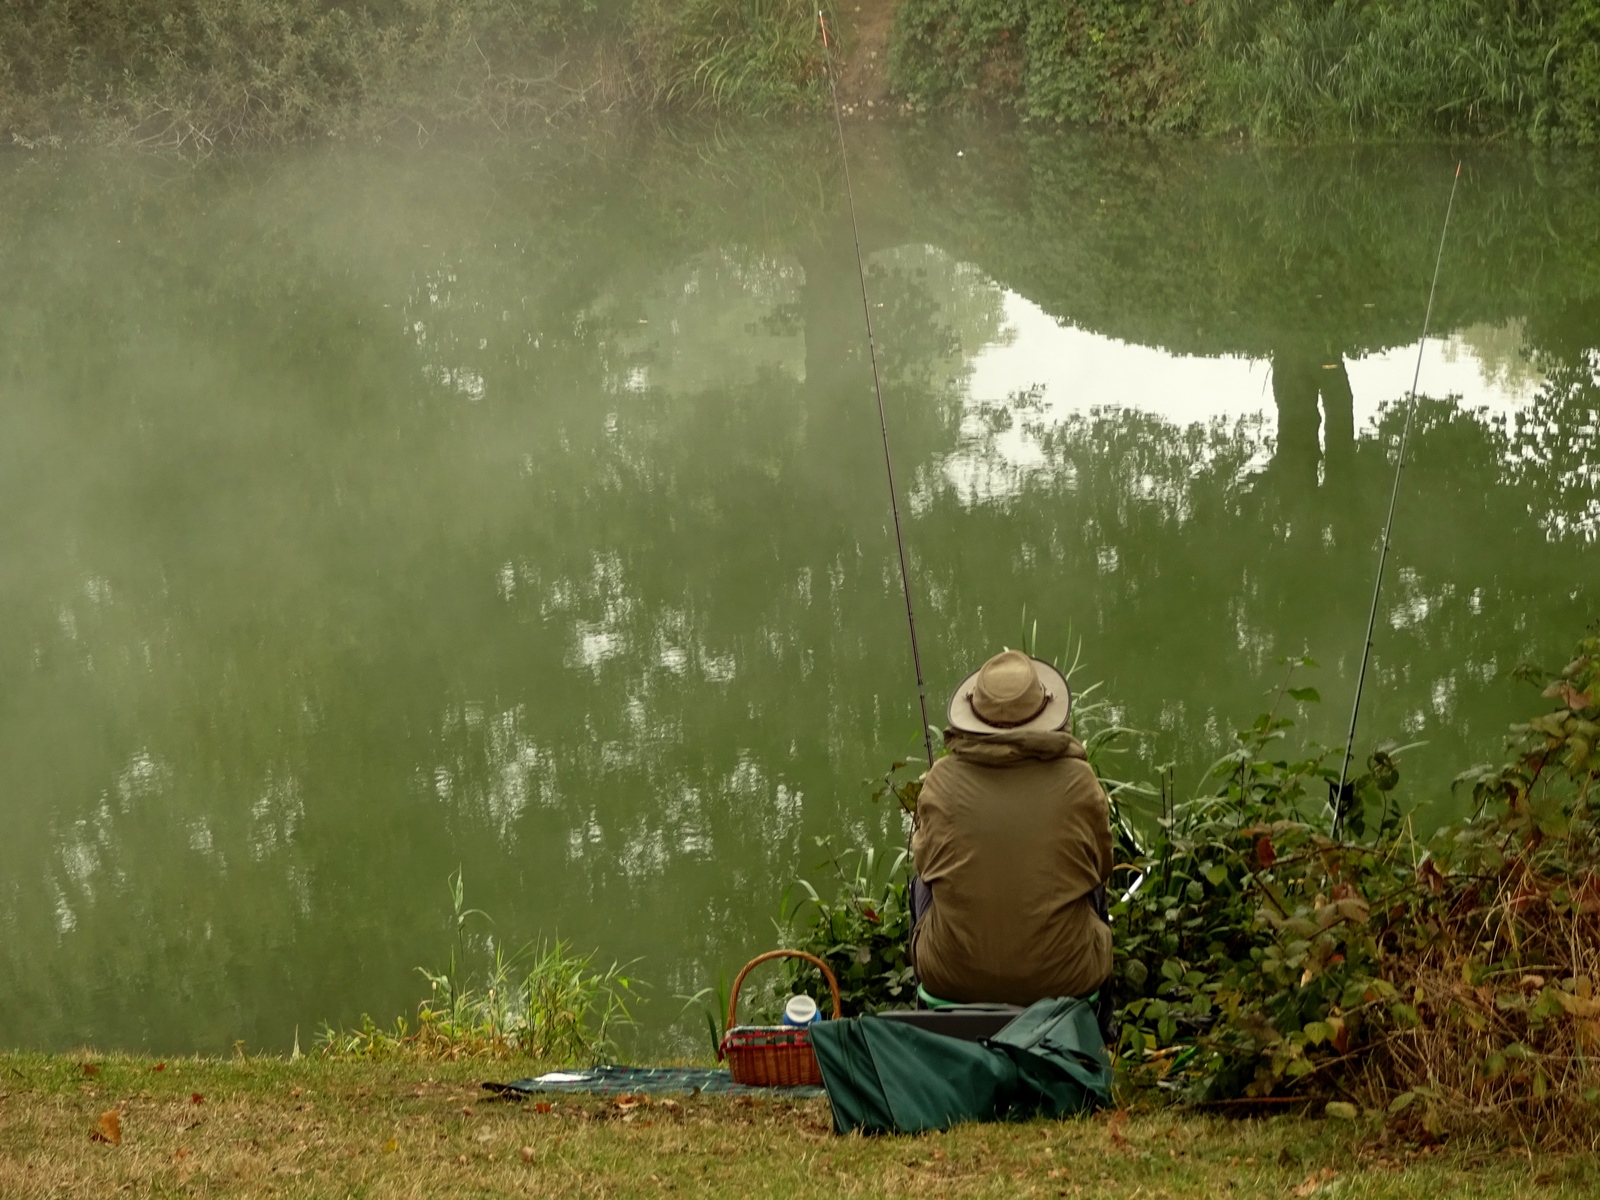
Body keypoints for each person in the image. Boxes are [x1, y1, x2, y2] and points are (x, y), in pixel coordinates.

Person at [909, 649, 1114, 1005]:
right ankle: (1100, 1024)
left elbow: (926, 867)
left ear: (974, 716)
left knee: (919, 884)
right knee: (1091, 885)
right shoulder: (1079, 781)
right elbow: (1102, 867)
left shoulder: (940, 781)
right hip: (1067, 979)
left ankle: (929, 1015)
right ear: (1044, 711)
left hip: (950, 979)